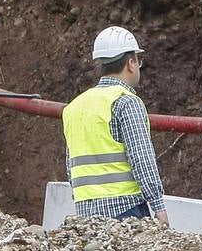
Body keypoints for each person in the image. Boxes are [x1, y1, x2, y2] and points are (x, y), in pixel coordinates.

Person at [60, 25, 168, 223]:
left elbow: (71, 167)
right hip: (126, 211)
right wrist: (158, 207)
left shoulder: (73, 108)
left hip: (85, 216)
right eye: (138, 60)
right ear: (131, 63)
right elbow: (142, 159)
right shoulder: (126, 102)